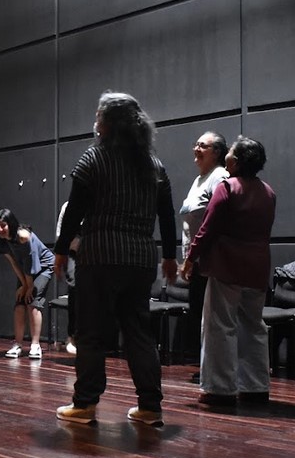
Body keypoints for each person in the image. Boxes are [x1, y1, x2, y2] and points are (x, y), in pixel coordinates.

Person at [54, 91, 177, 427]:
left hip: (100, 256)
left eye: (98, 116)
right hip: (140, 259)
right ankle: (150, 407)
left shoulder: (93, 159)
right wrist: (169, 256)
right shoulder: (154, 165)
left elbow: (74, 212)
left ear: (109, 123)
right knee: (139, 332)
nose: (95, 122)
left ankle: (85, 404)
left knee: (91, 332)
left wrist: (62, 250)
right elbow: (166, 215)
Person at [179, 136, 276, 407]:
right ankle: (256, 386)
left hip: (228, 267)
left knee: (220, 326)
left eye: (230, 153)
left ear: (236, 160)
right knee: (254, 326)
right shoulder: (269, 192)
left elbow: (207, 228)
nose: (227, 158)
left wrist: (190, 259)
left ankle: (219, 389)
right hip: (258, 269)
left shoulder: (227, 187)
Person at [179, 132, 229, 382]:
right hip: (197, 261)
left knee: (211, 319)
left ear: (217, 152)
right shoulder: (200, 179)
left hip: (210, 262)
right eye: (195, 143)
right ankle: (209, 370)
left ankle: (216, 373)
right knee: (201, 316)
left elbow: (214, 222)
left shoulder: (219, 177)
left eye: (202, 145)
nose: (195, 149)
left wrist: (193, 257)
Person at [0, 208, 54, 359]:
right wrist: (24, 285)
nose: (0, 229)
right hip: (26, 271)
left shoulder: (23, 236)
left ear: (11, 224)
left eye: (3, 225)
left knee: (32, 302)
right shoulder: (0, 240)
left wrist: (29, 286)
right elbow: (14, 263)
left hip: (43, 267)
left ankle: (35, 345)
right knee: (20, 304)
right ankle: (17, 344)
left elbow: (31, 261)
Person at [55, 201, 79, 355]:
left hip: (94, 252)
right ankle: (72, 336)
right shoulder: (68, 206)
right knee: (75, 289)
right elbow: (60, 234)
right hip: (73, 252)